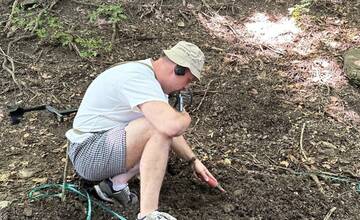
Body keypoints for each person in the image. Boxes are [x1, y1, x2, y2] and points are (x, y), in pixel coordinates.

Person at [65, 41, 216, 220]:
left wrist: (193, 160)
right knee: (158, 128)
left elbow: (169, 131)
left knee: (158, 127)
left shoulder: (149, 81)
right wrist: (185, 117)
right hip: (88, 152)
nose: (185, 87)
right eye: (188, 80)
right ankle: (148, 214)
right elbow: (169, 126)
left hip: (97, 148)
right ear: (178, 69)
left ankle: (114, 185)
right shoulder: (138, 78)